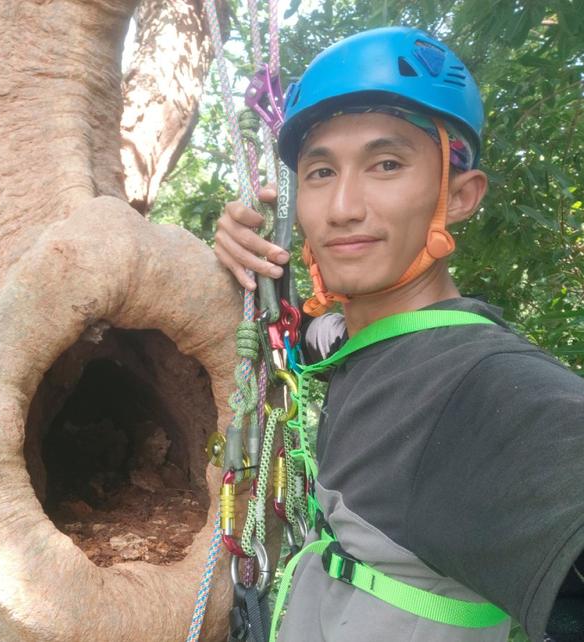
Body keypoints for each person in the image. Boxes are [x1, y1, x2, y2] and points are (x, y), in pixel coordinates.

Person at [213, 26, 584, 642]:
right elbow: (305, 332)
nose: (343, 207)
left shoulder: (481, 386)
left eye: (386, 164)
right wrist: (248, 262)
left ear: (460, 196)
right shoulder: (365, 343)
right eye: (321, 172)